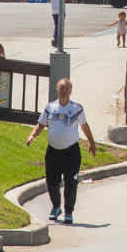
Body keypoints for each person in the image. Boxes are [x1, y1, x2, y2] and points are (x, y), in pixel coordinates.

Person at [25, 78, 97, 223]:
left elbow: (84, 126)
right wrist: (32, 135)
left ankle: (68, 211)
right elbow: (41, 125)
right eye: (61, 88)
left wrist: (91, 142)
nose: (63, 91)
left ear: (71, 91)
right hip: (53, 152)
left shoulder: (77, 108)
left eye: (66, 88)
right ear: (57, 90)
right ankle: (56, 207)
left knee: (71, 183)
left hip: (71, 152)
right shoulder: (50, 107)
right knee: (51, 182)